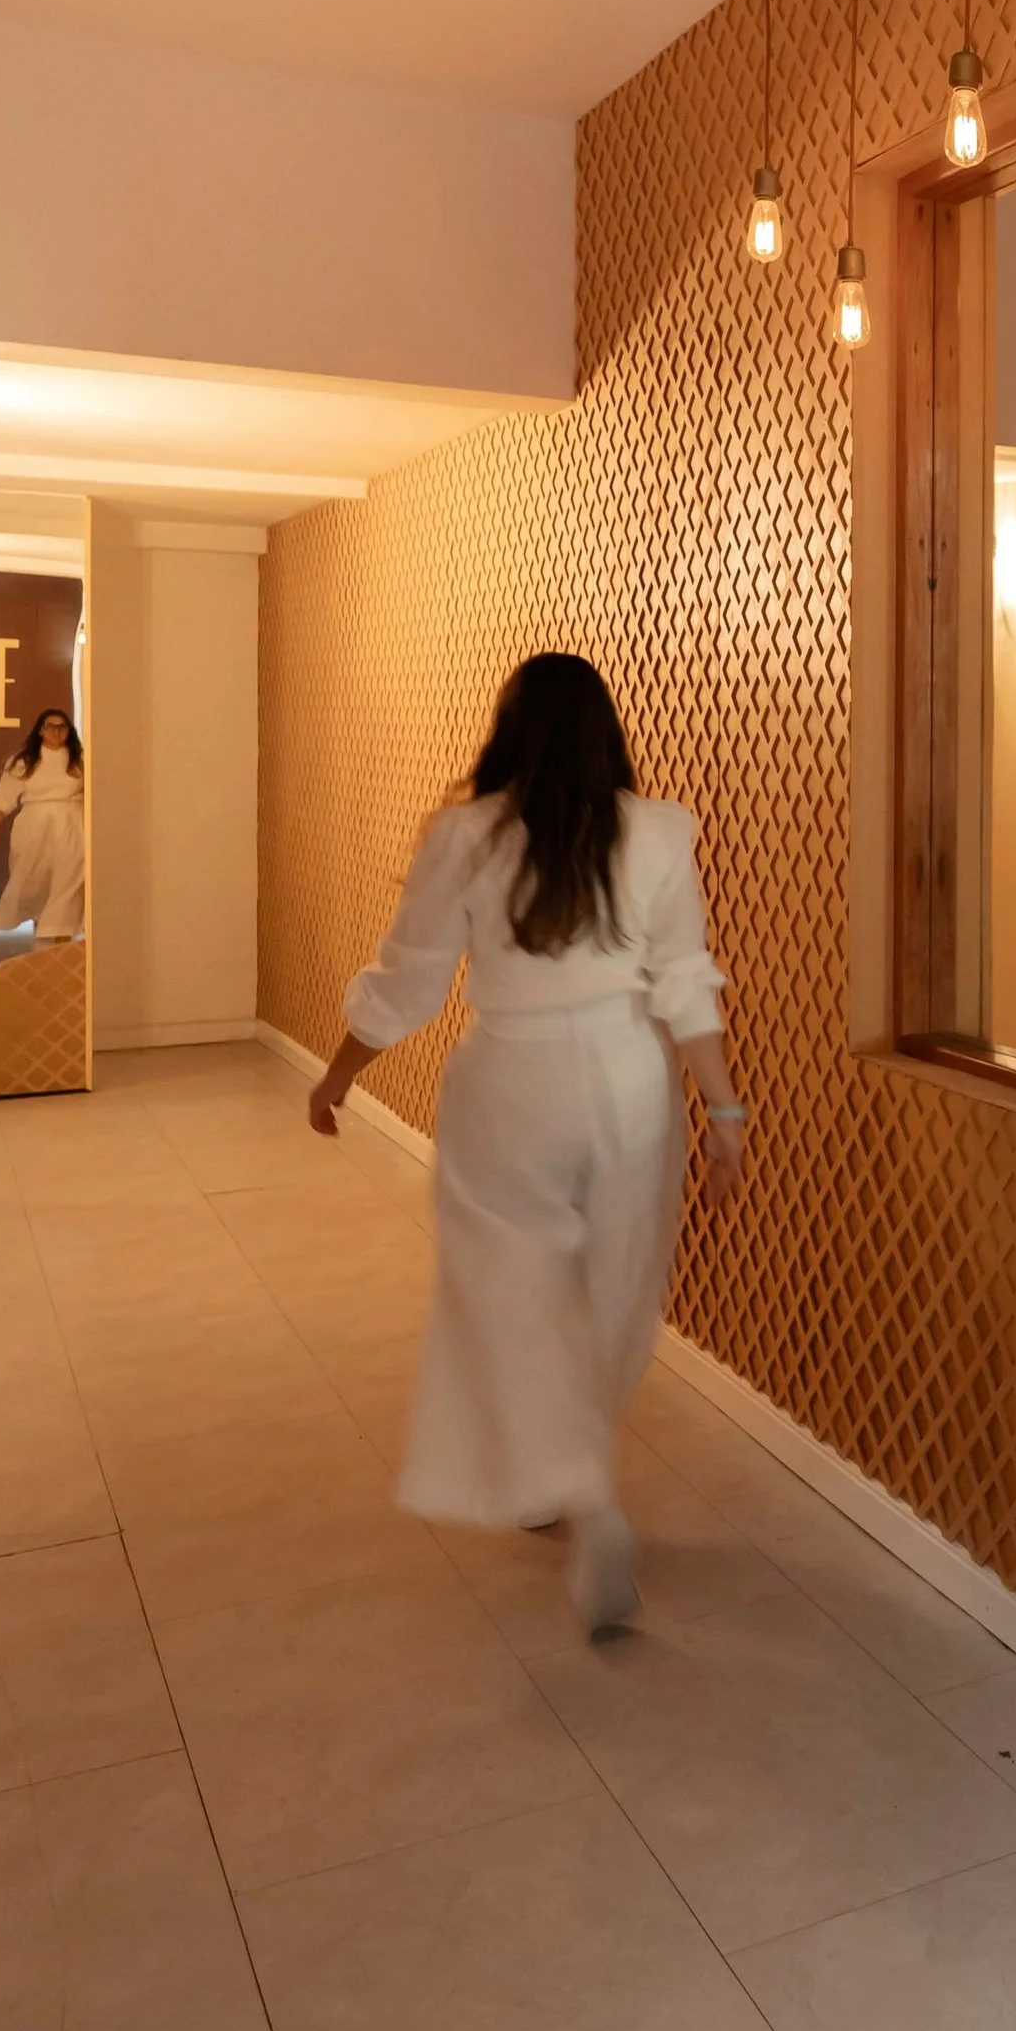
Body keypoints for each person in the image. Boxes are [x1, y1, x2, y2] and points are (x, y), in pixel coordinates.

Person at [305, 652, 746, 1634]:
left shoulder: (464, 835)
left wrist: (338, 1074)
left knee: (509, 1286)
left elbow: (410, 980)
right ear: (608, 732)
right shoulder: (662, 832)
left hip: (511, 1083)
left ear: (508, 729)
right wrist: (722, 1115)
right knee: (614, 1290)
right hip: (630, 1082)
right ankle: (573, 1473)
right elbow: (684, 983)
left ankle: (575, 1491)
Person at [0, 706, 87, 937]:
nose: (57, 732)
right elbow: (6, 794)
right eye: (51, 726)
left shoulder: (80, 760)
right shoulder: (24, 761)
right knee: (35, 881)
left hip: (70, 824)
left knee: (68, 879)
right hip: (33, 825)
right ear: (41, 730)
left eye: (62, 727)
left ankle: (60, 936)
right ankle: (42, 932)